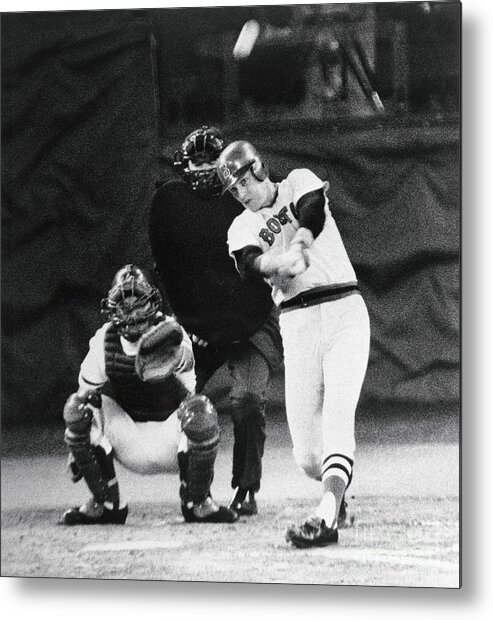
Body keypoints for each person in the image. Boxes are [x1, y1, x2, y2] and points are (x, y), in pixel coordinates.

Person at [216, 140, 371, 548]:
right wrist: (278, 262)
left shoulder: (297, 181)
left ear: (260, 169)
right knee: (306, 456)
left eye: (245, 181)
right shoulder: (241, 226)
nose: (242, 192)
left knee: (338, 412)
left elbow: (313, 210)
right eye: (234, 189)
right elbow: (250, 262)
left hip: (343, 310)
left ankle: (326, 514)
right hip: (298, 324)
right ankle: (336, 489)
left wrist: (300, 242)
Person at [148, 126, 283, 516]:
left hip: (252, 318)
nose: (207, 169)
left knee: (247, 399)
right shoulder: (169, 205)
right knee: (182, 403)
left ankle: (246, 488)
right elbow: (169, 273)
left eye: (214, 161)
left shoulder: (247, 199)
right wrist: (189, 327)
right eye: (198, 161)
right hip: (199, 326)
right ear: (183, 166)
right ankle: (195, 491)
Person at [59, 264, 238, 525]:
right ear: (112, 309)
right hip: (126, 437)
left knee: (200, 410)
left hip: (170, 438)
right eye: (124, 305)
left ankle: (198, 500)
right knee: (79, 406)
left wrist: (171, 357)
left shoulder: (170, 332)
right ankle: (106, 503)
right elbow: (84, 396)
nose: (132, 312)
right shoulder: (103, 340)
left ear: (152, 304)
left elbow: (188, 382)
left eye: (138, 304)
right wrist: (78, 448)